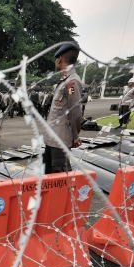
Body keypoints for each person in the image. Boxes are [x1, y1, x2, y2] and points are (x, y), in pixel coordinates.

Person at [44, 42, 84, 173]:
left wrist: (75, 136)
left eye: (56, 59)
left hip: (60, 141)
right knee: (50, 177)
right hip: (53, 139)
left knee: (59, 177)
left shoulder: (71, 83)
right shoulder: (65, 81)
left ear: (60, 59)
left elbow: (76, 112)